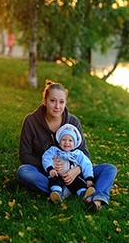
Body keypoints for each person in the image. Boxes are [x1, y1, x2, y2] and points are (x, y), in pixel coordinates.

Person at [17, 79, 118, 213]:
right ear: (45, 101)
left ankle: (97, 199)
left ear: (65, 103)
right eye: (52, 101)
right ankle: (68, 191)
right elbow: (24, 154)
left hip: (75, 172)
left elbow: (85, 154)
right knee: (23, 172)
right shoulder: (31, 121)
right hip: (48, 173)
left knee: (110, 169)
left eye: (61, 102)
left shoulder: (73, 122)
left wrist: (75, 170)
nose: (57, 106)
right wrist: (49, 166)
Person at [42, 123, 95, 203]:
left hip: (72, 177)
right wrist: (50, 169)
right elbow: (46, 157)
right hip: (57, 174)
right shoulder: (54, 150)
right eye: (63, 140)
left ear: (74, 144)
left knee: (78, 183)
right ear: (59, 141)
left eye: (70, 140)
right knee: (54, 181)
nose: (66, 142)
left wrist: (89, 179)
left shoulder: (78, 154)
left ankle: (83, 194)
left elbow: (86, 164)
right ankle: (57, 194)